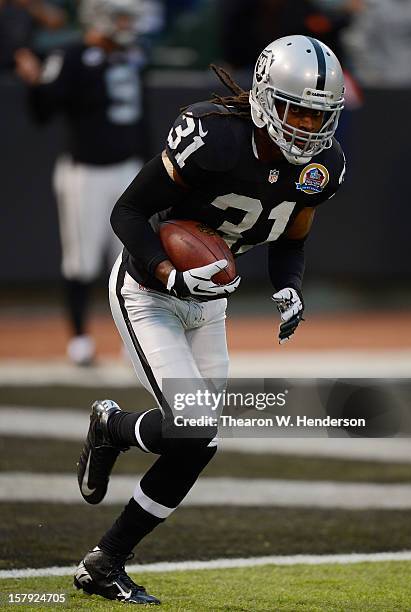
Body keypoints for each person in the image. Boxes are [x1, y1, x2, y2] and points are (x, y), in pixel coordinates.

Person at [74, 34, 346, 604]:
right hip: (150, 290)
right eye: (297, 108)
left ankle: (106, 562)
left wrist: (290, 289)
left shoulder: (323, 164)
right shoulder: (212, 137)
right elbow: (127, 210)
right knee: (195, 427)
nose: (307, 127)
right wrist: (169, 274)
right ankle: (114, 427)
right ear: (268, 98)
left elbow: (291, 242)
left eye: (320, 115)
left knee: (198, 441)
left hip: (210, 301)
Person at [15, 0, 150, 365]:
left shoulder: (133, 56)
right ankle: (79, 340)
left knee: (130, 259)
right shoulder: (71, 55)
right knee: (82, 261)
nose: (126, 25)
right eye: (120, 16)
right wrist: (33, 83)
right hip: (85, 172)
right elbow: (44, 111)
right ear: (99, 16)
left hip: (128, 170)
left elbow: (142, 119)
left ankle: (133, 342)